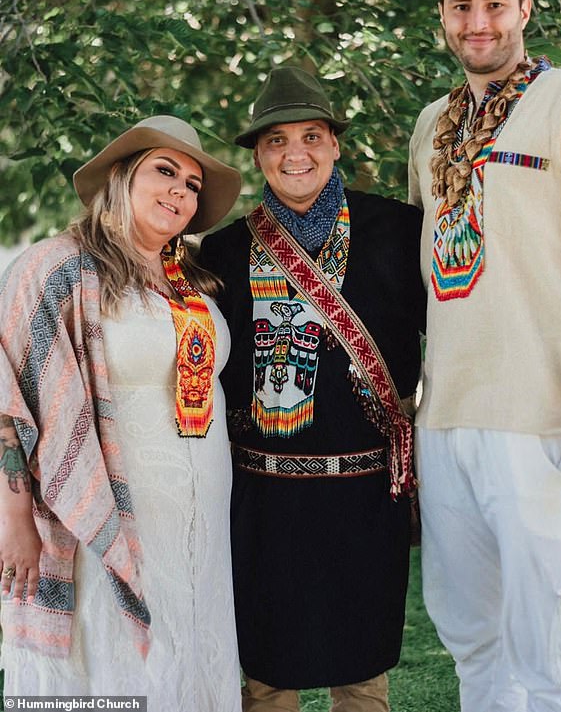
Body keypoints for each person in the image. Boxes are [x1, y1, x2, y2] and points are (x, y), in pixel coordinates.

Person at [408, 0, 561, 711]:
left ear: (525, 10)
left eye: (494, 5)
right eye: (462, 7)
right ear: (441, 17)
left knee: (555, 648)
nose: (479, 23)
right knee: (475, 642)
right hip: (444, 419)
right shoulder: (432, 125)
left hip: (546, 413)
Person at [199, 66, 426, 712]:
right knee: (268, 668)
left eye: (310, 135)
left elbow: (457, 337)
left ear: (334, 143)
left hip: (365, 490)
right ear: (258, 154)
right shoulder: (220, 251)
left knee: (362, 668)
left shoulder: (399, 230)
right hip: (262, 494)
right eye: (276, 141)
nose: (294, 153)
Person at [0, 115, 244, 710]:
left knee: (188, 653)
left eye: (192, 185)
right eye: (165, 172)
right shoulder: (55, 268)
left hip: (199, 523)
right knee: (113, 665)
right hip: (101, 519)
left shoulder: (191, 281)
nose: (181, 192)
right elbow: (7, 398)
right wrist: (12, 519)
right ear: (119, 179)